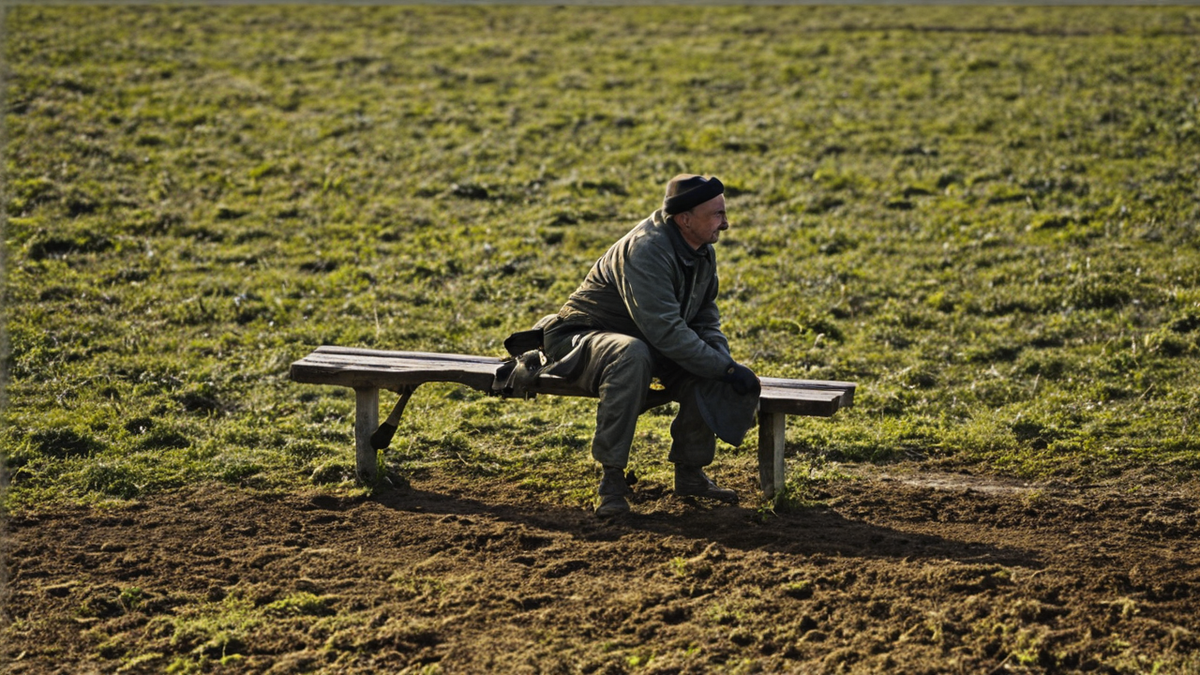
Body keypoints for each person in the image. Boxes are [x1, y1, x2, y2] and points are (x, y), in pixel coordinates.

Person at [539, 174, 760, 518]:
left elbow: (704, 316)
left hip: (647, 341)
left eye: (724, 212)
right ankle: (611, 483)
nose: (726, 223)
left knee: (707, 366)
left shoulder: (701, 250)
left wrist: (723, 362)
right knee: (631, 354)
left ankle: (691, 473)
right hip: (581, 337)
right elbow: (667, 332)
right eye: (717, 215)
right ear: (685, 219)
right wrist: (726, 369)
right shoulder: (646, 249)